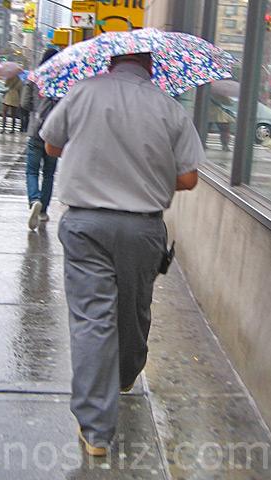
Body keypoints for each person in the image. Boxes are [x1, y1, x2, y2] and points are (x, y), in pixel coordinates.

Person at [40, 53, 205, 456]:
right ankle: (125, 375)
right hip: (142, 227)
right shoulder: (168, 106)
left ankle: (96, 431)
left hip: (86, 225)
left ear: (110, 62)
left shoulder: (82, 91)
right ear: (151, 65)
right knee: (133, 310)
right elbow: (188, 178)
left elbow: (50, 145)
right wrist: (144, 166)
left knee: (93, 319)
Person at [21, 48, 59, 230]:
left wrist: (33, 111)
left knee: (32, 171)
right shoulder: (62, 79)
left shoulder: (34, 77)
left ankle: (34, 199)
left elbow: (24, 103)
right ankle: (43, 211)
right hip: (53, 133)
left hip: (35, 131)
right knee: (49, 173)